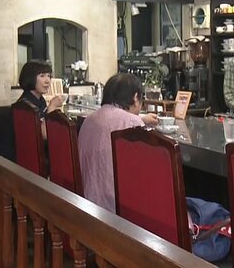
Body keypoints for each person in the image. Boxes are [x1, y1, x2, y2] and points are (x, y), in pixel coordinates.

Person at [77, 73, 158, 213]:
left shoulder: (89, 119)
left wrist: (141, 119)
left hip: (85, 200)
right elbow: (143, 173)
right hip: (116, 208)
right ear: (136, 97)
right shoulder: (131, 122)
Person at [17, 60, 64, 138]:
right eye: (42, 76)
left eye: (49, 76)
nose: (47, 81)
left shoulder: (41, 100)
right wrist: (52, 107)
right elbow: (44, 135)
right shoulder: (24, 105)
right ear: (30, 78)